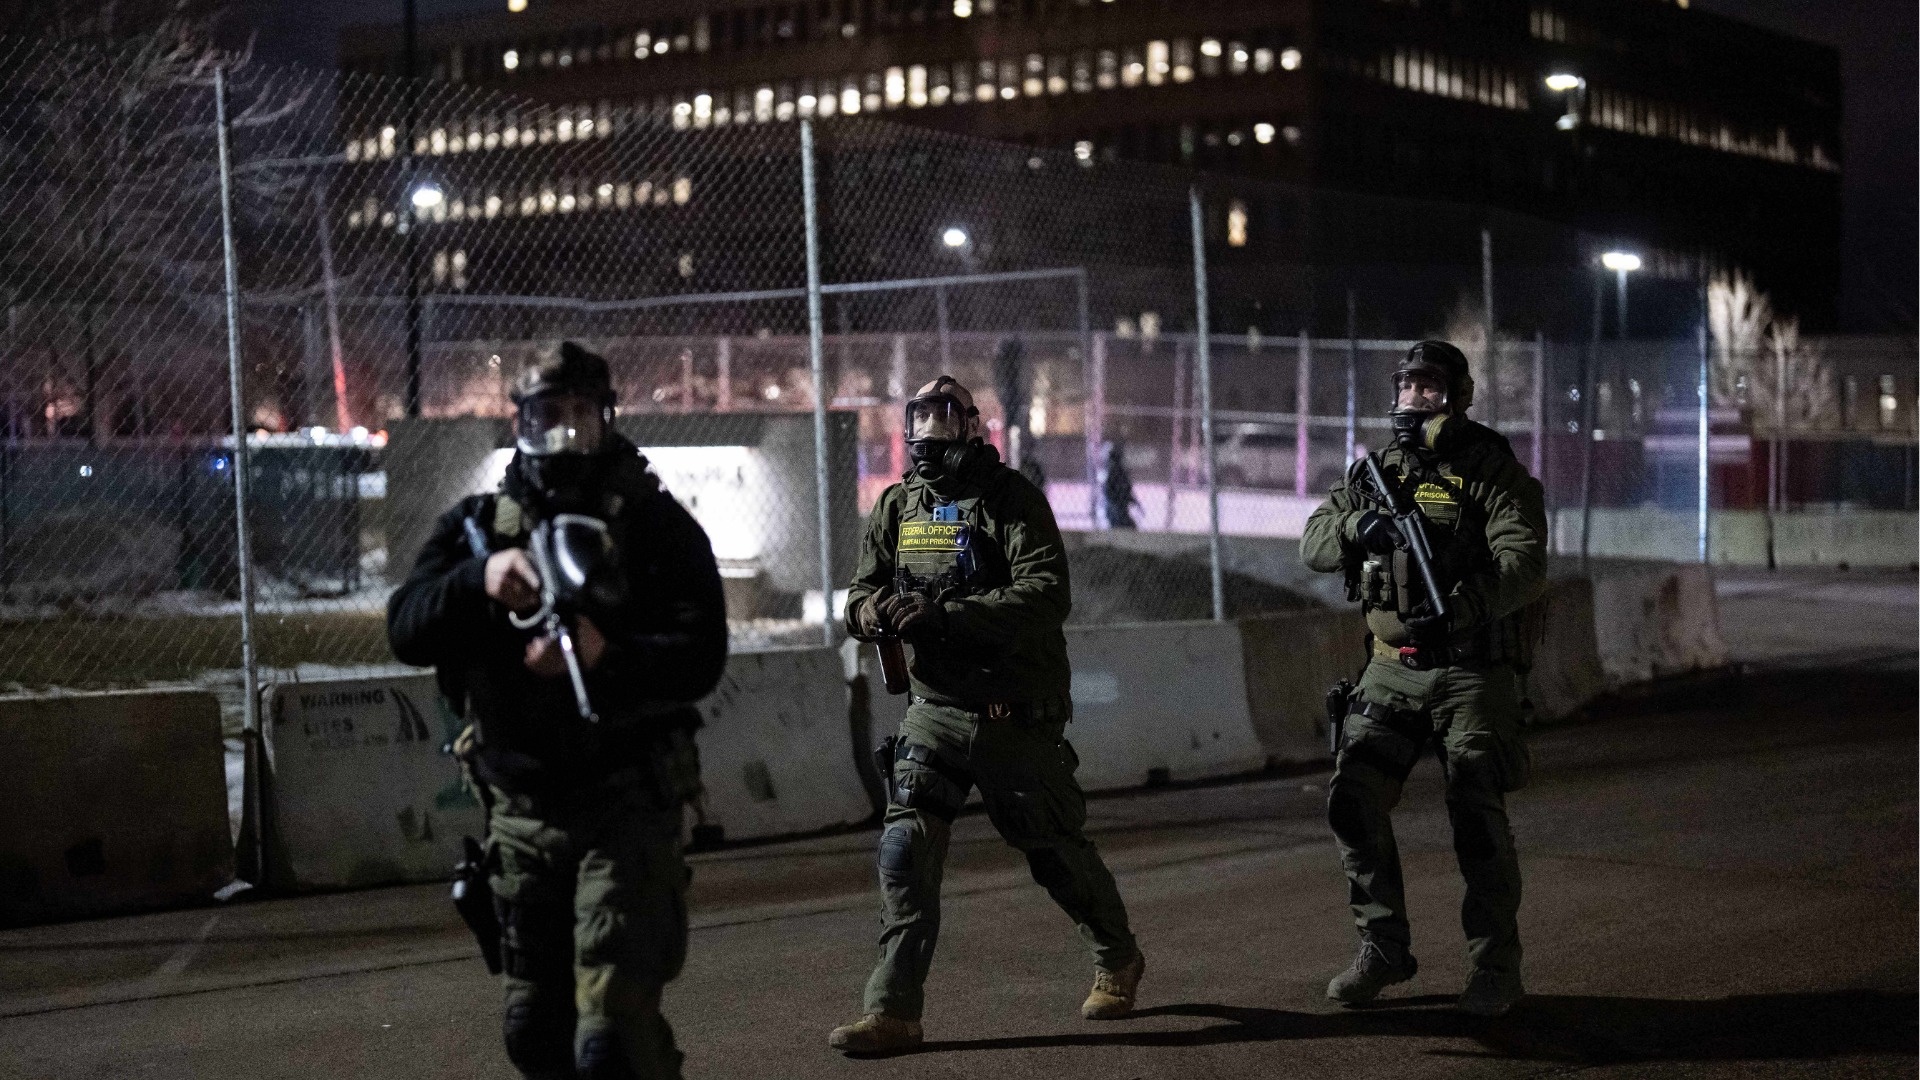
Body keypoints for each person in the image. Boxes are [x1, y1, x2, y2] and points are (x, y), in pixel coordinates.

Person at [387, 342, 728, 1079]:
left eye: (583, 416)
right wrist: (480, 578)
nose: (567, 435)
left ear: (608, 419)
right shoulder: (480, 528)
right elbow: (406, 627)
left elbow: (701, 654)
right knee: (535, 1034)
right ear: (520, 423)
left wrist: (609, 654)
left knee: (609, 1045)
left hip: (626, 806)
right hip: (520, 816)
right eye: (549, 417)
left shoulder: (655, 527)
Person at [828, 375, 1144, 1055]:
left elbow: (1046, 593)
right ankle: (892, 1011)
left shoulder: (1010, 499)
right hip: (934, 712)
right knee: (905, 854)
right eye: (920, 419)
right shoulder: (898, 506)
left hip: (1012, 714)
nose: (929, 433)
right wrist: (873, 610)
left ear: (972, 427)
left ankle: (1117, 957)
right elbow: (857, 594)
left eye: (945, 418)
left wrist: (949, 616)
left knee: (1053, 851)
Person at [1300, 339, 1547, 1019]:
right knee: (1353, 801)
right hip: (1391, 669)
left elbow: (1524, 563)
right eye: (1407, 386)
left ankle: (1495, 968)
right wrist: (1360, 526)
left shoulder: (1492, 472)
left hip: (1471, 670)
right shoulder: (1374, 472)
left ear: (1458, 397)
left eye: (1430, 388)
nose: (1415, 398)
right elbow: (1313, 541)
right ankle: (1384, 947)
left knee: (1477, 817)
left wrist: (1462, 608)